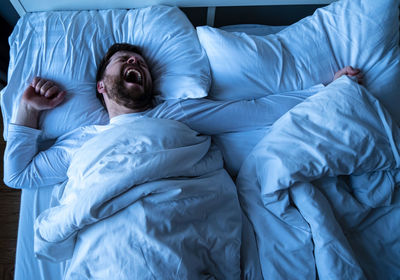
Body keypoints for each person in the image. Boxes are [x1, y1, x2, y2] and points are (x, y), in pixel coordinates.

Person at [4, 43, 363, 189]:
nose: (135, 63)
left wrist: (326, 90)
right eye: (124, 61)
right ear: (101, 86)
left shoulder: (173, 112)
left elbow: (253, 111)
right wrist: (29, 110)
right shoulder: (80, 142)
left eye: (140, 63)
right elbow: (17, 175)